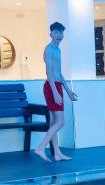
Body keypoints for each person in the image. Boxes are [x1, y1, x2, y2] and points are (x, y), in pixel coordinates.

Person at [34, 21, 78, 162]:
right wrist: (55, 91)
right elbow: (49, 73)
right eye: (56, 32)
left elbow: (58, 73)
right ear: (50, 34)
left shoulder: (58, 49)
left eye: (61, 32)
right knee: (60, 122)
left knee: (54, 122)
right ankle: (40, 148)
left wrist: (68, 91)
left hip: (56, 86)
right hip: (51, 86)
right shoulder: (49, 49)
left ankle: (57, 153)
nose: (59, 35)